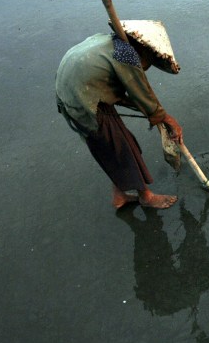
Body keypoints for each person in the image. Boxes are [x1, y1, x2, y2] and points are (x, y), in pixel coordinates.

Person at [56, 20, 184, 209]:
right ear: (144, 49)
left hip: (73, 94)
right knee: (122, 150)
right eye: (150, 61)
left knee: (119, 145)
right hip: (85, 104)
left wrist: (156, 114)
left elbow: (126, 96)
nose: (147, 67)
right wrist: (168, 119)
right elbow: (142, 95)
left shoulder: (109, 41)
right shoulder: (128, 57)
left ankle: (119, 195)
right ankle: (146, 197)